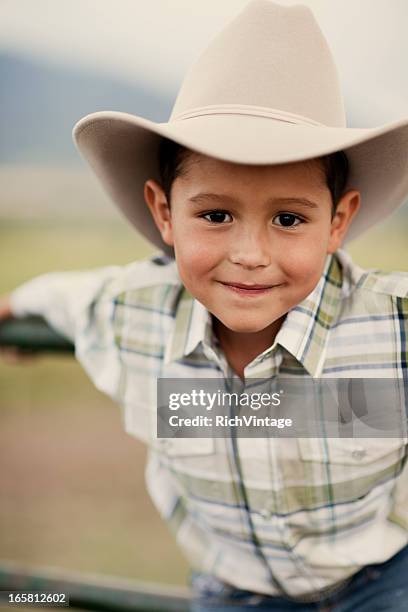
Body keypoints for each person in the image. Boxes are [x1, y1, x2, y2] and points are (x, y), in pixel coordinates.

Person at [1, 1, 408, 609]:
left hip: (380, 583)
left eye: (288, 218)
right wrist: (18, 311)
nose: (249, 254)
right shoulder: (131, 314)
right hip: (232, 592)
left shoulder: (393, 327)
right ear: (164, 212)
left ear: (337, 221)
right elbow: (68, 298)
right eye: (215, 215)